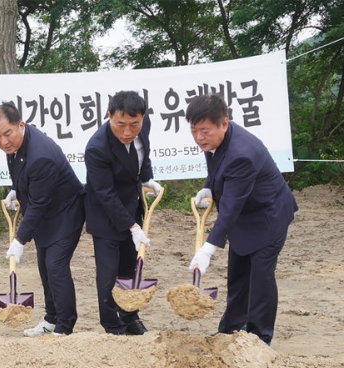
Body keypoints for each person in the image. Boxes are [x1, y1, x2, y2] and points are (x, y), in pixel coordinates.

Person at [186, 94, 298, 346]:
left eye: (204, 131)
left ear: (223, 124)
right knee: (238, 275)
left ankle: (260, 339)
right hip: (244, 215)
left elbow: (230, 210)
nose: (199, 138)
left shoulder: (241, 154)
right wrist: (209, 187)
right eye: (194, 131)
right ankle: (231, 329)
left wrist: (207, 249)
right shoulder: (215, 140)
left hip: (268, 215)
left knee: (260, 277)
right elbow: (215, 166)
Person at [0, 103, 85, 337]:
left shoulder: (41, 155)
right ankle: (51, 319)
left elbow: (39, 204)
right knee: (44, 267)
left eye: (7, 133)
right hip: (45, 214)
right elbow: (23, 176)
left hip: (66, 212)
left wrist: (19, 241)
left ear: (20, 125)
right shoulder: (16, 146)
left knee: (56, 267)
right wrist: (15, 190)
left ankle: (64, 326)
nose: (3, 141)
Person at [84, 90, 162, 335]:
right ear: (109, 116)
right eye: (121, 125)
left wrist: (147, 179)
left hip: (131, 206)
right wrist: (132, 227)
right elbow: (105, 194)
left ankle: (130, 317)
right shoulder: (97, 148)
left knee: (130, 268)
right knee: (108, 276)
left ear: (142, 118)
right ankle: (112, 325)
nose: (128, 132)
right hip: (105, 216)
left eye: (134, 125)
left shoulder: (143, 125)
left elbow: (143, 153)